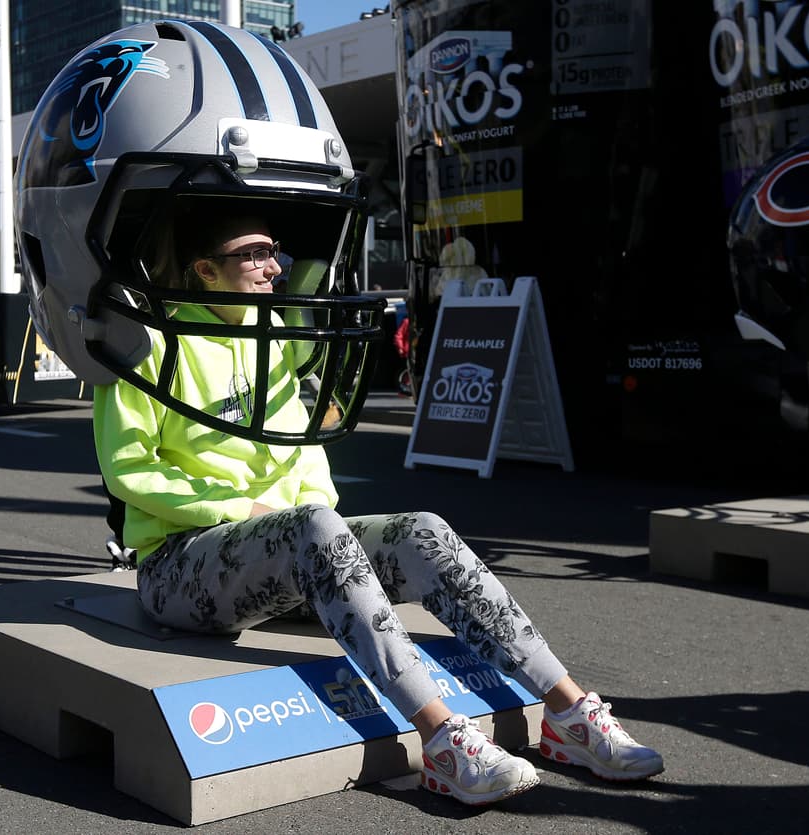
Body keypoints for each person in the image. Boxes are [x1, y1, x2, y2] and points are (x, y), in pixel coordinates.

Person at [92, 211, 665, 806]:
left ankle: (569, 711)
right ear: (205, 270)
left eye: (273, 250)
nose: (273, 266)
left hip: (285, 556)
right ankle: (443, 739)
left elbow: (304, 453)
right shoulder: (149, 342)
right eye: (253, 254)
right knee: (313, 526)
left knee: (423, 530)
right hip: (179, 566)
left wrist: (307, 527)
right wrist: (240, 508)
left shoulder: (277, 333)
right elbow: (127, 469)